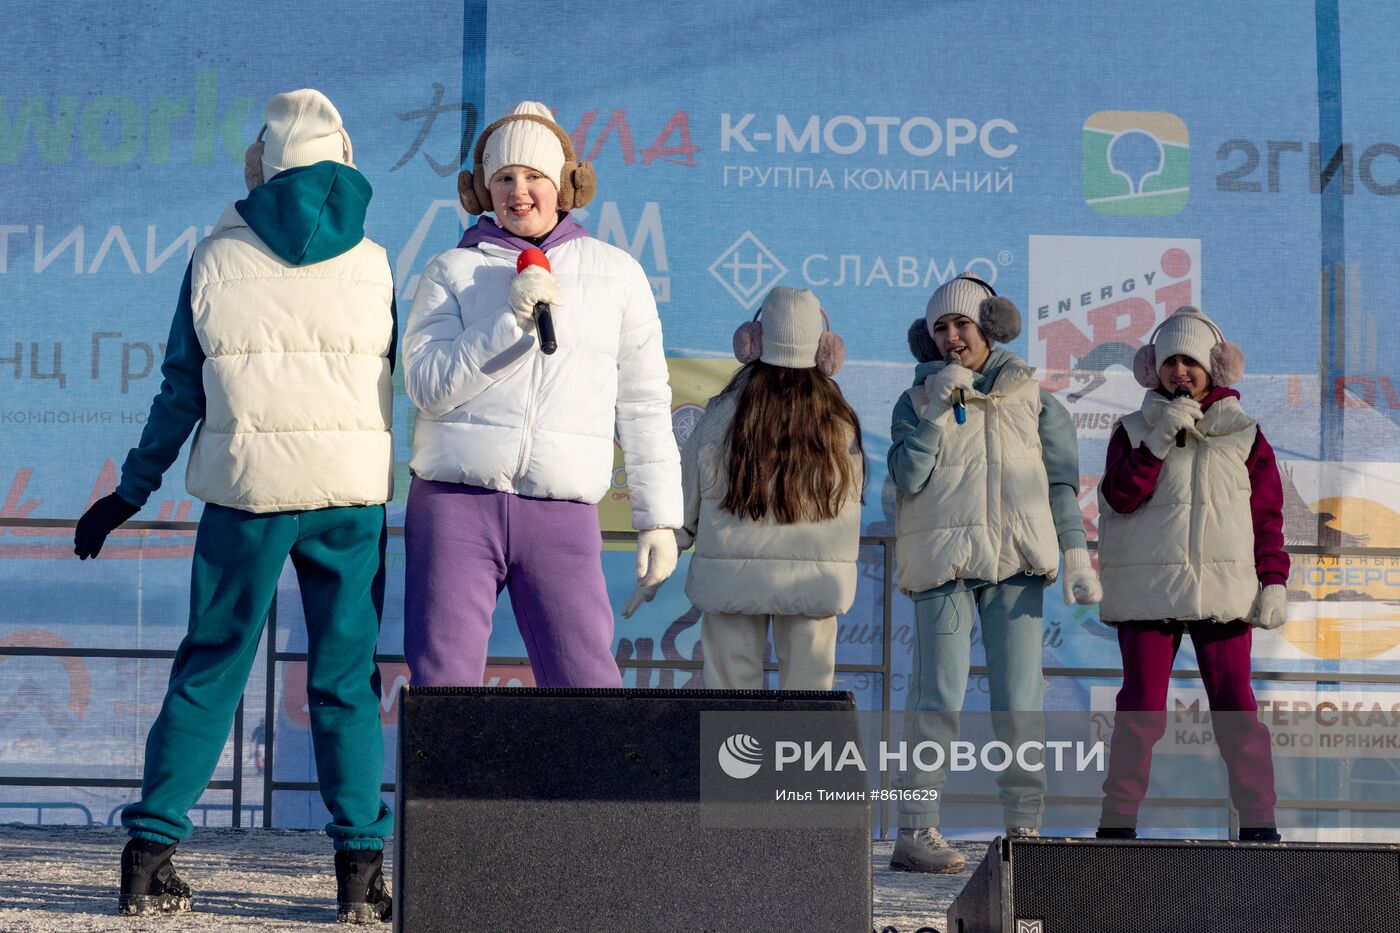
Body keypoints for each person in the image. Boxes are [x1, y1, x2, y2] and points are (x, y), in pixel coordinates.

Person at [72, 89, 395, 922]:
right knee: (345, 681)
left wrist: (128, 492)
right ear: (344, 160)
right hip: (349, 498)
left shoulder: (214, 254)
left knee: (210, 667)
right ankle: (360, 872)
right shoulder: (377, 261)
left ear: (263, 165)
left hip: (247, 492)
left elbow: (182, 391)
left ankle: (148, 859)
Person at [401, 101, 681, 688]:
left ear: (566, 186)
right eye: (503, 178)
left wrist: (660, 519)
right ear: (482, 190)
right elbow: (427, 386)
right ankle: (448, 788)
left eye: (534, 177)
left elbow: (644, 404)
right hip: (455, 505)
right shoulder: (451, 270)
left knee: (587, 690)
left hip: (562, 511)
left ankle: (592, 787)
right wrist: (511, 322)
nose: (518, 191)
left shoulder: (618, 274)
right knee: (444, 691)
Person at [887, 275, 1101, 873]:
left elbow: (1061, 483)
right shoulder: (914, 399)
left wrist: (1076, 555)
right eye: (940, 329)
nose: (953, 338)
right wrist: (933, 411)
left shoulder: (1034, 397)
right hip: (944, 566)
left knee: (1019, 701)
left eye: (963, 325)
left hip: (1016, 563)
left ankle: (1023, 831)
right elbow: (906, 477)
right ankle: (916, 830)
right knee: (937, 697)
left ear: (991, 325)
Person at [1095, 306, 1285, 842]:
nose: (1180, 371)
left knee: (1237, 713)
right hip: (1147, 593)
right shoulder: (1133, 429)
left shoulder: (1245, 433)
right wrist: (1156, 442)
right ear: (1152, 368)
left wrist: (1273, 580)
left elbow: (1267, 517)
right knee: (1139, 712)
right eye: (1170, 360)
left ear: (1215, 368)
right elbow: (1118, 498)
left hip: (1222, 593)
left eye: (1191, 361)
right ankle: (1117, 825)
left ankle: (1259, 825)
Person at [644, 287, 862, 690]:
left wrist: (666, 551)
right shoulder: (839, 421)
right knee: (808, 700)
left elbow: (686, 494)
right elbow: (846, 507)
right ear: (824, 348)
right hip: (811, 583)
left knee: (730, 696)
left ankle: (730, 754)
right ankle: (800, 755)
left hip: (730, 578)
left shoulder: (724, 412)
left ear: (754, 341)